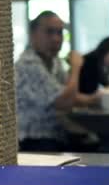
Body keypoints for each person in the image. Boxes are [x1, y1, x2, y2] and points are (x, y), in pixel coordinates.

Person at [15, 11, 99, 152]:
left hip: (56, 136)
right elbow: (65, 102)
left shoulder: (54, 62)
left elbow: (69, 95)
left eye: (59, 32)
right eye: (49, 32)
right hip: (35, 141)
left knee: (97, 142)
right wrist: (76, 67)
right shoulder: (28, 64)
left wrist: (96, 98)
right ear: (33, 35)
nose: (56, 38)